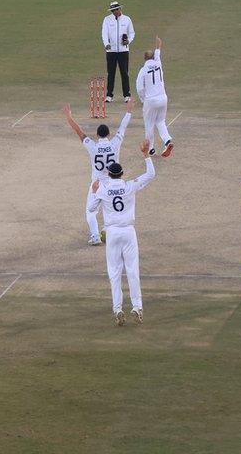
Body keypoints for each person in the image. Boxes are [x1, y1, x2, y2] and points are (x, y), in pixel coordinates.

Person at [89, 140, 154, 325]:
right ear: (122, 174)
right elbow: (151, 174)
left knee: (114, 273)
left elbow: (92, 208)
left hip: (112, 233)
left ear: (109, 174)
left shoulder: (103, 188)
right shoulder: (129, 186)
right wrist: (146, 155)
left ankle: (118, 309)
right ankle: (137, 307)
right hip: (128, 232)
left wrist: (95, 192)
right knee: (133, 270)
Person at [63, 99, 133, 245]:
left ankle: (95, 236)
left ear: (97, 134)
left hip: (96, 184)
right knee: (110, 209)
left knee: (90, 211)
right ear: (108, 134)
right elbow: (122, 127)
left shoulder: (92, 146)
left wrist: (70, 118)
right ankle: (110, 233)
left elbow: (79, 132)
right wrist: (128, 111)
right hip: (113, 183)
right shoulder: (115, 143)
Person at [135, 35, 174, 157]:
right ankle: (167, 141)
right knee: (161, 121)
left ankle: (150, 149)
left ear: (145, 59)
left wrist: (143, 99)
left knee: (149, 124)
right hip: (163, 98)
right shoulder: (158, 63)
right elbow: (158, 53)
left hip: (151, 100)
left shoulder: (143, 70)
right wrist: (158, 44)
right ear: (153, 58)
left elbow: (140, 87)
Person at [101, 1, 135, 103]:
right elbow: (104, 33)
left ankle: (127, 95)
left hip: (123, 50)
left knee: (124, 73)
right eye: (112, 11)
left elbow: (132, 33)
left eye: (115, 10)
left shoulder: (127, 19)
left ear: (120, 9)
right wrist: (106, 43)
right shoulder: (107, 19)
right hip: (111, 50)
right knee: (110, 73)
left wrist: (128, 40)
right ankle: (109, 95)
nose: (114, 12)